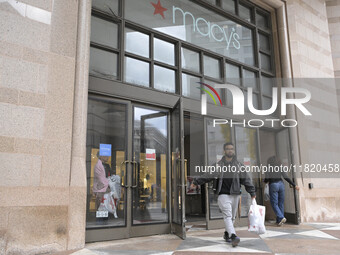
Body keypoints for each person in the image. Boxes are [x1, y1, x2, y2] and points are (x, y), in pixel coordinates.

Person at [190, 142, 256, 247]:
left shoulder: (239, 165)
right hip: (223, 195)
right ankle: (233, 236)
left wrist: (252, 192)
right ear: (224, 151)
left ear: (233, 151)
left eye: (232, 149)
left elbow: (246, 180)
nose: (230, 150)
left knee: (232, 218)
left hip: (235, 194)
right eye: (228, 149)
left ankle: (226, 234)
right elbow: (208, 175)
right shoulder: (218, 165)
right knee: (227, 216)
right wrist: (196, 182)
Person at [264, 156, 300, 226]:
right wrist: (294, 185)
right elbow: (285, 176)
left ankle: (281, 217)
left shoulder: (268, 167)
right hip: (281, 184)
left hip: (273, 185)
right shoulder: (279, 166)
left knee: (274, 203)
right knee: (281, 203)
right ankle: (279, 221)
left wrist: (264, 181)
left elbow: (267, 178)